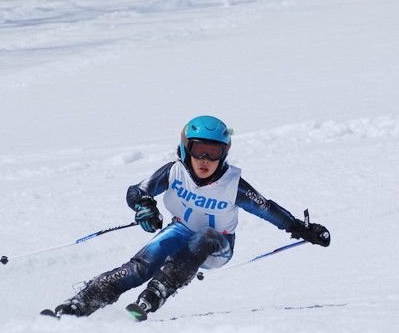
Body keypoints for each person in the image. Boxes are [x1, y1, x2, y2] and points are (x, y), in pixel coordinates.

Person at [43, 115, 330, 320]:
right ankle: (79, 305)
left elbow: (268, 209)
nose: (205, 159)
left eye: (214, 152)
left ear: (224, 154)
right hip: (179, 230)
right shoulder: (173, 171)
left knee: (204, 237)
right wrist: (144, 207)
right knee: (139, 267)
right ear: (185, 148)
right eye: (198, 150)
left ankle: (155, 294)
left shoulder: (233, 185)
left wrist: (301, 229)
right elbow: (137, 191)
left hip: (219, 246)